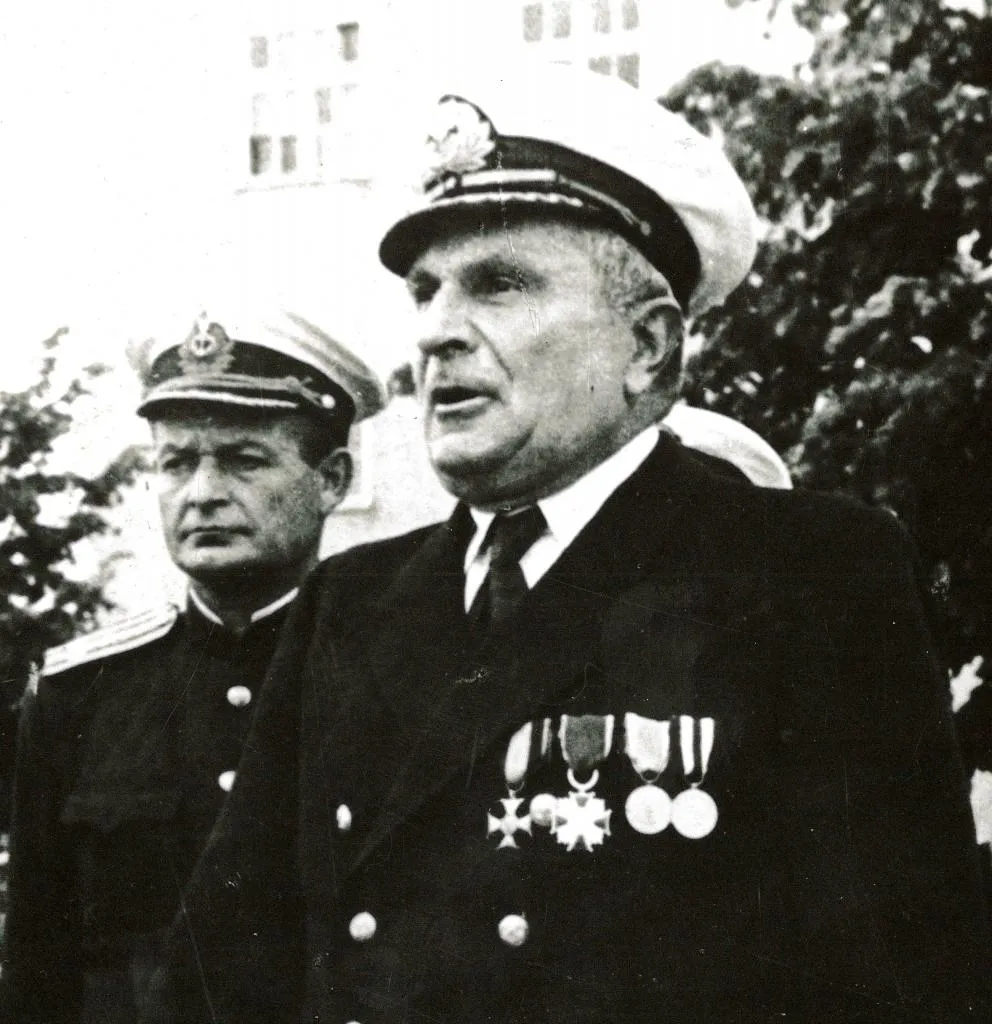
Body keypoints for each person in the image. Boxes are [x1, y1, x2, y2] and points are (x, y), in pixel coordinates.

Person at [141, 65, 992, 1023]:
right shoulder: (349, 602)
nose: (437, 333)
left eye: (499, 285)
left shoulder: (809, 576)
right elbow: (217, 979)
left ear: (649, 347)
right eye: (425, 292)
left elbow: (901, 983)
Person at [0, 310, 384, 1024]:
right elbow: (37, 972)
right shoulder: (78, 696)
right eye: (177, 462)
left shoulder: (393, 672)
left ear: (331, 480)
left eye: (244, 459)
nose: (202, 491)